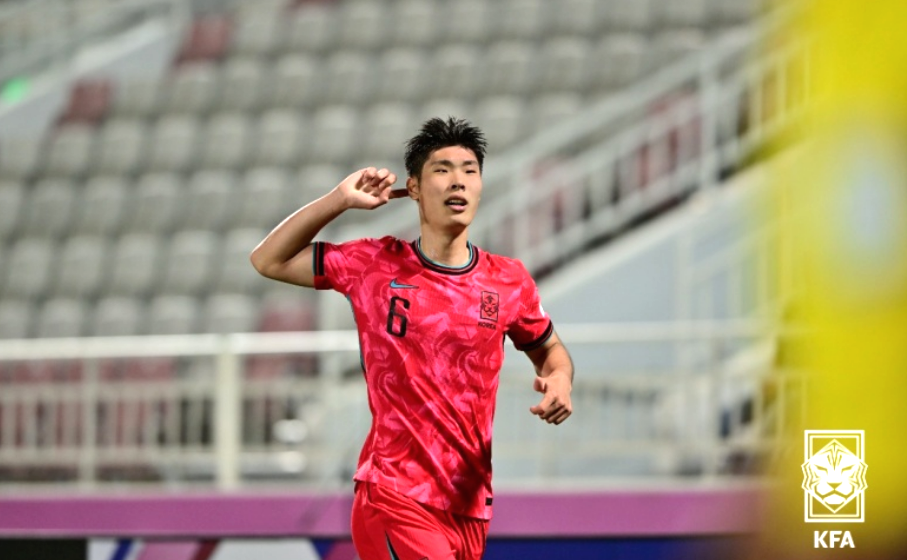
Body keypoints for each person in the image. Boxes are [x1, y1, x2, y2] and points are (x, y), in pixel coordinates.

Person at [250, 117, 574, 560]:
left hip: (468, 505)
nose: (457, 180)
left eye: (469, 170)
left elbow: (550, 353)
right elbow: (268, 259)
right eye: (442, 169)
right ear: (414, 188)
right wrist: (339, 200)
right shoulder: (374, 264)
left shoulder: (508, 281)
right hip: (394, 494)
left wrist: (559, 380)